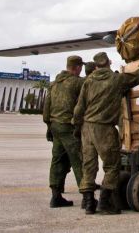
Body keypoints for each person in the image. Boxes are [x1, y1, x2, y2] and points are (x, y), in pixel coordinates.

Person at [74, 51, 139, 215]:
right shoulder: (116, 79)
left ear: (96, 65)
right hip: (104, 128)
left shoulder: (88, 81)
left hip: (87, 127)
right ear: (108, 62)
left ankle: (88, 204)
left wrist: (77, 127)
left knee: (88, 166)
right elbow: (136, 77)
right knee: (112, 166)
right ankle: (104, 202)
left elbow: (79, 107)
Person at [42, 55, 85, 208]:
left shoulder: (54, 84)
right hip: (69, 127)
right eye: (81, 67)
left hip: (55, 126)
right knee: (79, 160)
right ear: (78, 67)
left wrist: (49, 126)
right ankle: (87, 198)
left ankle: (56, 196)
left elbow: (46, 108)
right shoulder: (78, 82)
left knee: (57, 160)